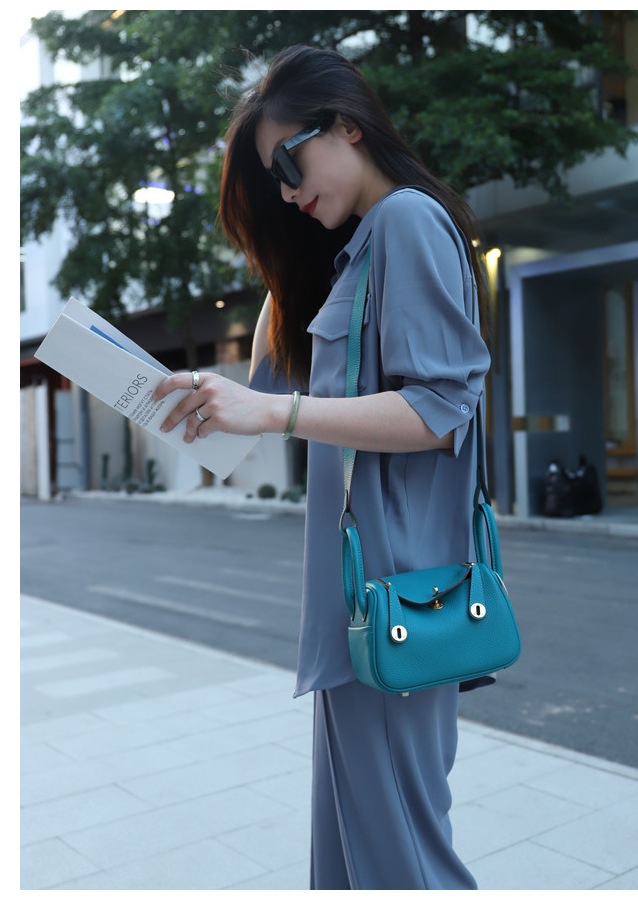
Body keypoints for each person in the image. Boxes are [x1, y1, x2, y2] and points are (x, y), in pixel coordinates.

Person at [152, 44, 491, 890]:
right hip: (359, 606)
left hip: (401, 602)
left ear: (347, 126)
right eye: (272, 179)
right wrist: (281, 280)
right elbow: (259, 402)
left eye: (288, 164)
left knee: (404, 868)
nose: (285, 191)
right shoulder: (352, 253)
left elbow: (440, 411)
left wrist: (277, 412)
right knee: (349, 867)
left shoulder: (407, 221)